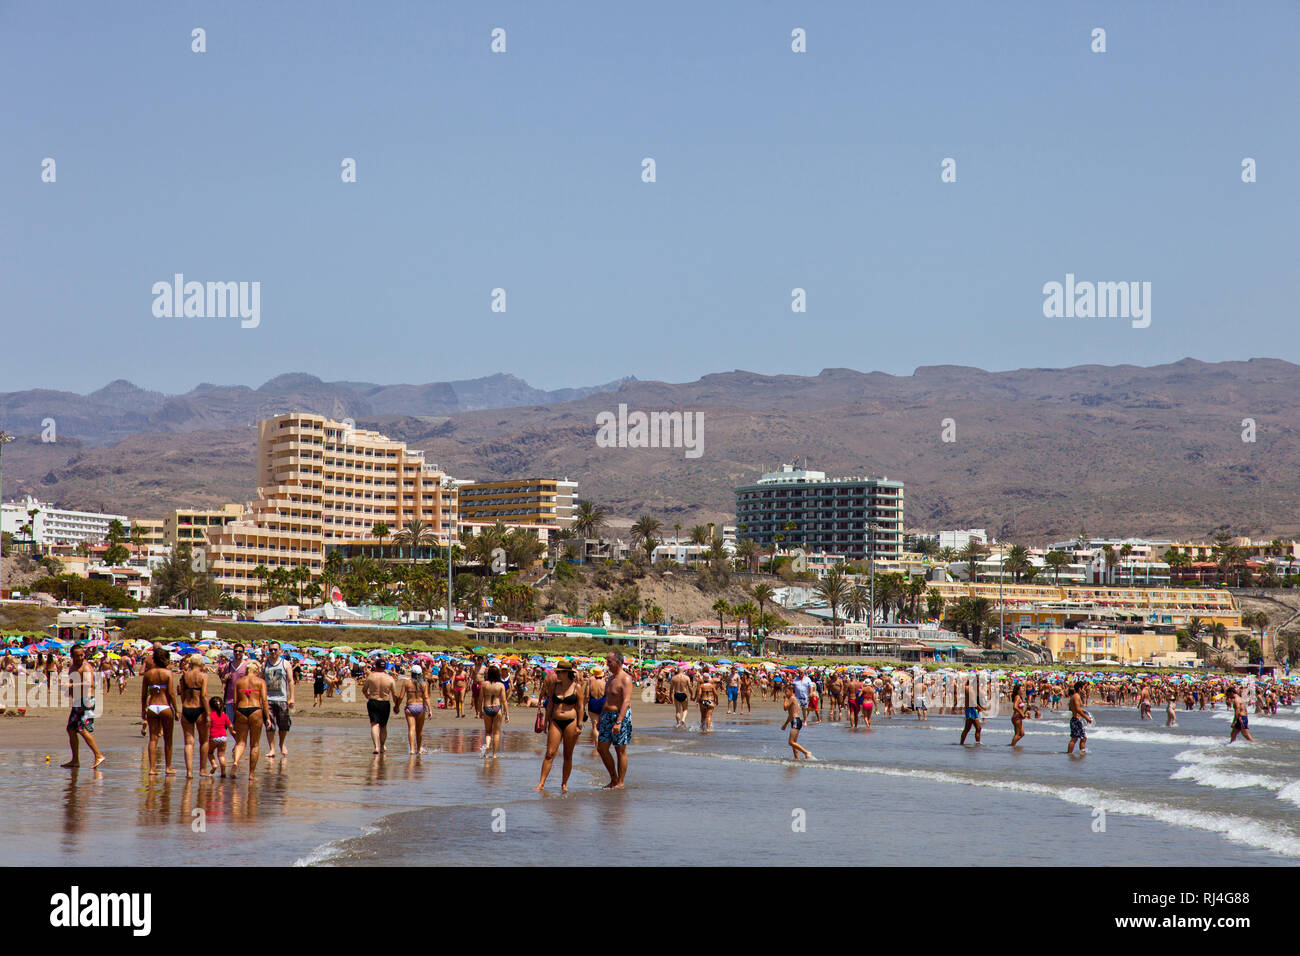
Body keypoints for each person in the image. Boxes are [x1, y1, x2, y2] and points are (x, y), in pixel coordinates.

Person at [537, 659, 584, 791]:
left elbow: (580, 707)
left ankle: (564, 784)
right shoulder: (554, 686)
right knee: (549, 753)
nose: (557, 674)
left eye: (560, 672)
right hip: (555, 721)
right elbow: (551, 704)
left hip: (571, 721)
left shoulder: (577, 687)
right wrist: (545, 721)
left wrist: (580, 725)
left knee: (567, 754)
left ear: (566, 673)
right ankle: (541, 783)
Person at [61, 643, 106, 769]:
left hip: (87, 701)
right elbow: (71, 685)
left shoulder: (86, 667)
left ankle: (98, 755)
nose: (80, 658)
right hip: (77, 702)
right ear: (72, 656)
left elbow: (89, 684)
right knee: (70, 729)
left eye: (82, 655)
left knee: (81, 729)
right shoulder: (72, 668)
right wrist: (67, 690)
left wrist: (71, 686)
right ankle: (75, 760)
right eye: (77, 656)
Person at [597, 651, 633, 789]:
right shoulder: (610, 679)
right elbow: (607, 699)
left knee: (620, 750)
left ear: (618, 662)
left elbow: (626, 701)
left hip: (620, 716)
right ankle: (613, 778)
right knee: (602, 748)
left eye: (609, 661)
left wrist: (619, 721)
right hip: (606, 715)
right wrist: (601, 718)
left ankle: (620, 782)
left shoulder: (626, 679)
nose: (607, 663)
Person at [142, 644, 179, 775]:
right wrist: (177, 710)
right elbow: (171, 694)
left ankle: (152, 769)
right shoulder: (168, 673)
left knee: (153, 738)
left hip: (152, 706)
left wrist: (143, 710)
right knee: (168, 739)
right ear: (164, 659)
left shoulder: (148, 674)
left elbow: (144, 695)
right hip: (165, 706)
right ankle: (168, 767)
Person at [229, 660, 269, 776]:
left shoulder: (239, 682)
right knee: (255, 744)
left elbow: (235, 701)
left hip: (241, 709)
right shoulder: (260, 682)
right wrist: (268, 718)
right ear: (256, 670)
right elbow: (264, 701)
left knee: (241, 742)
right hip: (255, 710)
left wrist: (236, 716)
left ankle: (236, 762)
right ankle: (251, 774)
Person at [178, 654, 210, 777]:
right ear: (201, 663)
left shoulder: (185, 676)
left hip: (187, 709)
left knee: (189, 742)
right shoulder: (204, 676)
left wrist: (183, 705)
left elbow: (181, 693)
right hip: (199, 709)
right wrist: (208, 713)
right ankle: (202, 770)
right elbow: (204, 696)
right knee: (204, 741)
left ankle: (189, 772)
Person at [262, 642, 294, 759]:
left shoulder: (285, 664)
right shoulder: (265, 664)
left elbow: (290, 681)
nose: (273, 652)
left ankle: (281, 743)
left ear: (280, 651)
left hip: (282, 698)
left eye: (275, 650)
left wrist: (292, 698)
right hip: (267, 699)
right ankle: (272, 748)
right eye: (271, 650)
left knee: (284, 724)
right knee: (269, 725)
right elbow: (260, 679)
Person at [363, 659, 397, 754]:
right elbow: (394, 694)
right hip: (385, 702)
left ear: (376, 666)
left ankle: (376, 747)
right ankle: (382, 745)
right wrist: (396, 705)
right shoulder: (390, 678)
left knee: (374, 724)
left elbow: (364, 689)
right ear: (385, 667)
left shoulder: (371, 677)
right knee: (383, 726)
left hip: (373, 701)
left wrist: (367, 695)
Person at [396, 664, 430, 754]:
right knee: (419, 730)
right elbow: (426, 697)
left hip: (410, 707)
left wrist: (397, 706)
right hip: (420, 707)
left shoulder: (407, 683)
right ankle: (419, 749)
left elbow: (401, 696)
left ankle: (412, 749)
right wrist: (430, 710)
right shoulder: (424, 683)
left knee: (411, 728)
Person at [479, 665, 508, 758]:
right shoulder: (500, 685)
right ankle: (494, 754)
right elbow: (504, 700)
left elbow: (480, 699)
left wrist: (479, 711)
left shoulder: (484, 684)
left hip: (487, 708)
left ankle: (487, 746)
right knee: (496, 733)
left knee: (488, 732)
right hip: (497, 708)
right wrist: (507, 714)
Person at [219, 643, 248, 725]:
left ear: (243, 652)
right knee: (231, 724)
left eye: (240, 651)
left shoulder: (246, 665)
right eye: (236, 651)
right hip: (229, 699)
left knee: (242, 723)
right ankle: (238, 738)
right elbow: (223, 680)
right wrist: (225, 678)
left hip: (243, 698)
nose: (237, 653)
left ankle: (240, 738)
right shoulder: (228, 665)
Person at [781, 683, 812, 759]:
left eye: (787, 691)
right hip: (795, 721)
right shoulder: (792, 699)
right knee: (794, 744)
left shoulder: (792, 698)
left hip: (796, 721)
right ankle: (797, 759)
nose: (786, 693)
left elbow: (785, 708)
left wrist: (784, 699)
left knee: (791, 742)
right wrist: (785, 724)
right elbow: (790, 715)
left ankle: (806, 752)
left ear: (791, 691)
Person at [207, 696, 231, 776]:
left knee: (209, 752)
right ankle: (223, 772)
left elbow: (208, 727)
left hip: (214, 737)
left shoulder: (211, 716)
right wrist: (233, 731)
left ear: (210, 707)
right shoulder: (224, 715)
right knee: (221, 755)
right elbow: (230, 725)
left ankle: (214, 764)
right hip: (223, 737)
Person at [1067, 681, 1092, 756]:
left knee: (1083, 738)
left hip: (1076, 719)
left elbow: (1071, 708)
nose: (1084, 690)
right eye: (1083, 688)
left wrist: (1083, 711)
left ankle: (1081, 753)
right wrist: (1086, 717)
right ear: (1080, 688)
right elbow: (1077, 709)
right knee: (1075, 738)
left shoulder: (1074, 696)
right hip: (1076, 720)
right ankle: (1070, 754)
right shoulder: (1076, 696)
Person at [959, 677, 984, 745]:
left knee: (969, 728)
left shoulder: (970, 689)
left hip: (970, 709)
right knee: (977, 728)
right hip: (971, 710)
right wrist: (981, 709)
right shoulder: (971, 690)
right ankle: (977, 743)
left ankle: (962, 743)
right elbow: (973, 702)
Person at [1009, 682, 1026, 747]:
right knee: (1017, 734)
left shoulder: (1019, 697)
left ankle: (1012, 745)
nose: (1023, 690)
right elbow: (1015, 707)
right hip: (1016, 717)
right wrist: (1022, 713)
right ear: (1018, 690)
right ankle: (1012, 746)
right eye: (1022, 688)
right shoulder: (1017, 697)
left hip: (1018, 717)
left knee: (1022, 733)